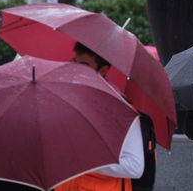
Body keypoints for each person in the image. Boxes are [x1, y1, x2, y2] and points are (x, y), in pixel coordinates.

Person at [56, 42, 146, 191]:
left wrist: (87, 161)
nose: (76, 70)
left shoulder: (120, 110)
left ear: (103, 70)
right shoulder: (65, 99)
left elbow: (135, 167)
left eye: (84, 65)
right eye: (74, 62)